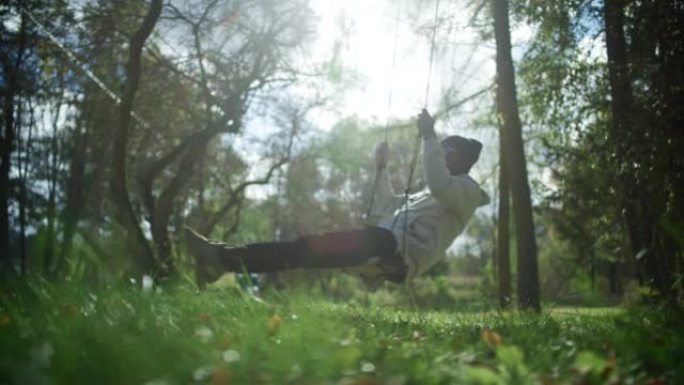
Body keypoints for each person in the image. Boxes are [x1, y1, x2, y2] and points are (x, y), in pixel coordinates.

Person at [185, 109, 490, 288]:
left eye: (447, 152)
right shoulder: (432, 193)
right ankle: (224, 261)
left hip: (393, 251)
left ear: (462, 159)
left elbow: (438, 184)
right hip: (385, 243)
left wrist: (428, 136)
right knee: (303, 250)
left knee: (304, 248)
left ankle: (223, 258)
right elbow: (385, 206)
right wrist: (381, 169)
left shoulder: (467, 192)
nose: (441, 155)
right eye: (442, 150)